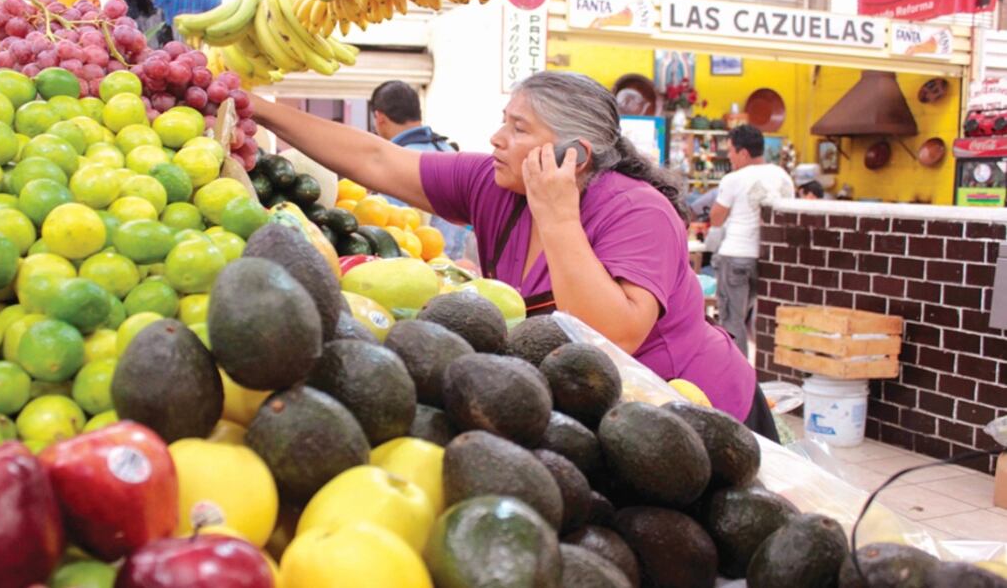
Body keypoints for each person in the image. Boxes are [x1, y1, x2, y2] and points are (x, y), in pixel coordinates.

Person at [251, 71, 777, 438]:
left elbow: (609, 337)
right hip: (610, 416)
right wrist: (258, 109)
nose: (497, 138)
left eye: (519, 128)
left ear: (575, 156)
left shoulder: (637, 211)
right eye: (505, 121)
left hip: (703, 417)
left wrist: (559, 214)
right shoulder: (496, 182)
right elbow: (377, 158)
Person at [709, 125, 795, 358]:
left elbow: (716, 219)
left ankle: (737, 377)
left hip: (736, 254)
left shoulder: (734, 179)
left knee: (732, 320)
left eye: (731, 152)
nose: (729, 157)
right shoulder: (783, 177)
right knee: (759, 321)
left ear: (744, 153)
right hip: (767, 257)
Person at [368, 80, 469, 260]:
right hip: (454, 269)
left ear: (379, 117)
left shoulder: (396, 161)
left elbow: (392, 231)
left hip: (413, 271)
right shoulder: (449, 152)